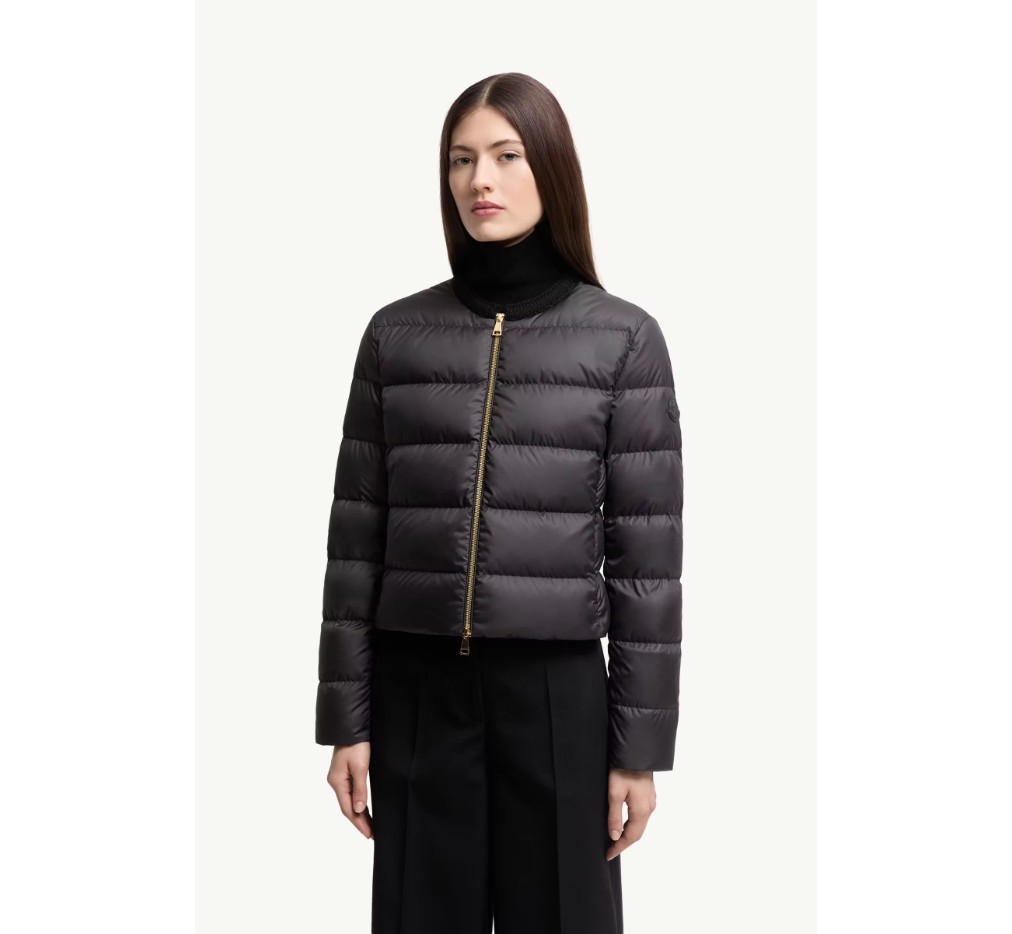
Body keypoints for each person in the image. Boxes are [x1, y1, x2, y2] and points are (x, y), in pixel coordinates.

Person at [315, 72, 684, 934]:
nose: (480, 180)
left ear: (550, 168)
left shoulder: (623, 339)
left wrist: (637, 752)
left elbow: (647, 565)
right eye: (461, 160)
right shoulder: (396, 335)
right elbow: (355, 546)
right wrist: (347, 723)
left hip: (556, 698)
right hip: (416, 694)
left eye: (507, 156)